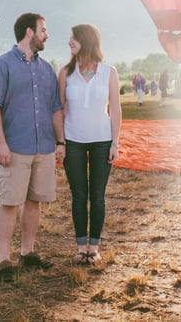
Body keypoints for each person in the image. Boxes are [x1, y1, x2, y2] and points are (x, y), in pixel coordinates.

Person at [0, 12, 64, 282]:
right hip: (15, 147)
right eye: (43, 29)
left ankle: (27, 252)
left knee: (34, 202)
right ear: (29, 32)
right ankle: (4, 259)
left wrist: (60, 141)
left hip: (43, 147)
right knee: (9, 203)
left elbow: (55, 108)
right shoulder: (1, 66)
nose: (47, 35)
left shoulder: (46, 69)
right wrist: (1, 143)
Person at [58, 23, 121, 266]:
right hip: (73, 140)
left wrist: (115, 142)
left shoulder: (109, 72)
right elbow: (60, 110)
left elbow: (115, 109)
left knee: (97, 195)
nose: (69, 42)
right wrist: (60, 141)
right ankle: (80, 245)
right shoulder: (65, 72)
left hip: (102, 141)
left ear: (86, 40)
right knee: (78, 195)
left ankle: (94, 247)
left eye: (73, 38)